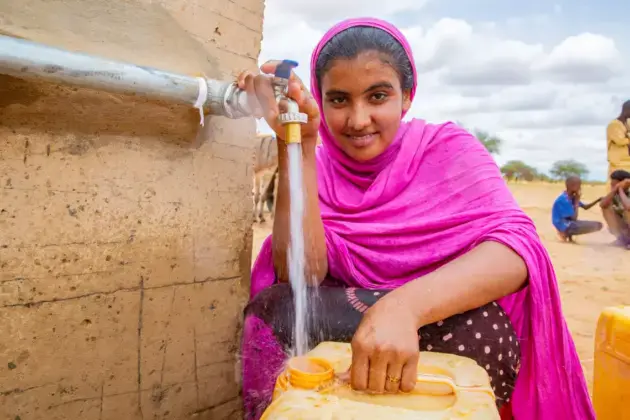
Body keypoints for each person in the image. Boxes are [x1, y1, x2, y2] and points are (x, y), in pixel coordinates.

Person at [238, 17, 594, 420]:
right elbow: (301, 276)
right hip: (345, 338)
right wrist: (299, 149)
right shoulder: (316, 165)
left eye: (377, 96)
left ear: (406, 97)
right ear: (319, 100)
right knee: (275, 313)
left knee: (485, 332)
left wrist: (403, 308)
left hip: (435, 328)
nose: (358, 120)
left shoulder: (448, 149)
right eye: (338, 100)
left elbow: (515, 250)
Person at [551, 175, 602, 242]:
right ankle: (563, 233)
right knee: (593, 226)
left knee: (598, 225)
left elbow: (585, 207)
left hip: (569, 223)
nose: (580, 187)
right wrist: (577, 201)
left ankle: (567, 235)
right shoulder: (563, 199)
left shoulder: (571, 197)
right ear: (571, 186)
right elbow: (573, 218)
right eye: (579, 185)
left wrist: (598, 200)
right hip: (563, 225)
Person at [600, 169, 630, 247]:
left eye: (615, 185)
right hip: (625, 228)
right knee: (606, 207)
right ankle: (622, 239)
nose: (613, 187)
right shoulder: (615, 195)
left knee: (628, 210)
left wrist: (620, 189)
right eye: (612, 185)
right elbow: (602, 205)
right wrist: (615, 190)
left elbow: (628, 207)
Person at [606, 101, 630, 177]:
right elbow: (620, 141)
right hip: (618, 163)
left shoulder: (627, 124)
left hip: (627, 162)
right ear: (627, 110)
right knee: (616, 185)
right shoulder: (614, 124)